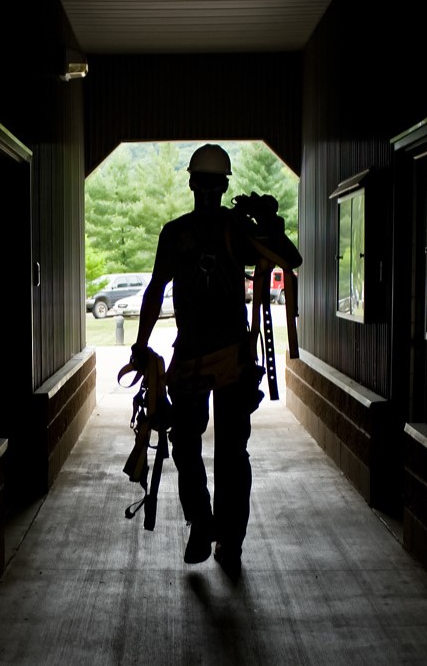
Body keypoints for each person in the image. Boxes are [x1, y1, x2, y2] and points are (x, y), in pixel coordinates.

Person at [129, 143, 302, 577]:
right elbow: (291, 258)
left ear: (205, 183)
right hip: (217, 359)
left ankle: (208, 525)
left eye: (209, 184)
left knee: (196, 447)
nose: (206, 190)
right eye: (206, 183)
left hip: (206, 358)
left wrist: (140, 344)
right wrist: (266, 224)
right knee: (225, 451)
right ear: (217, 184)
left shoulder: (194, 232)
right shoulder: (232, 229)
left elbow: (155, 292)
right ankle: (222, 535)